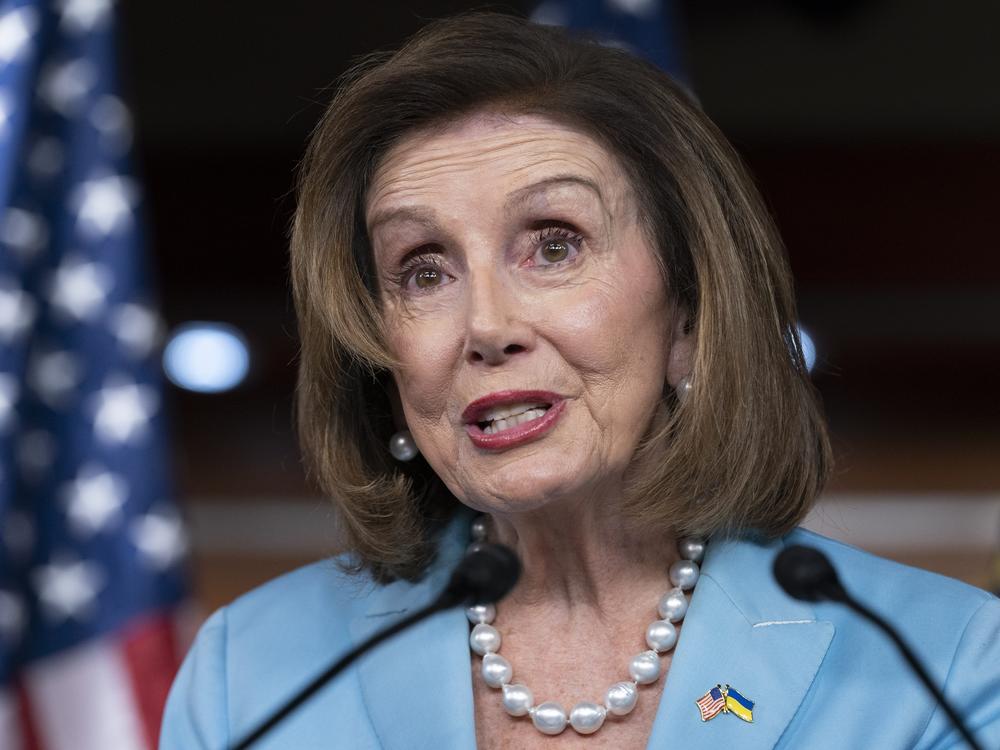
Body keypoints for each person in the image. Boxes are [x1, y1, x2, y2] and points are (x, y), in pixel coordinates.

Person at [160, 12, 1000, 750]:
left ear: (690, 316)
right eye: (422, 271)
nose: (486, 326)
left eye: (554, 244)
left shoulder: (940, 661)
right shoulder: (251, 674)